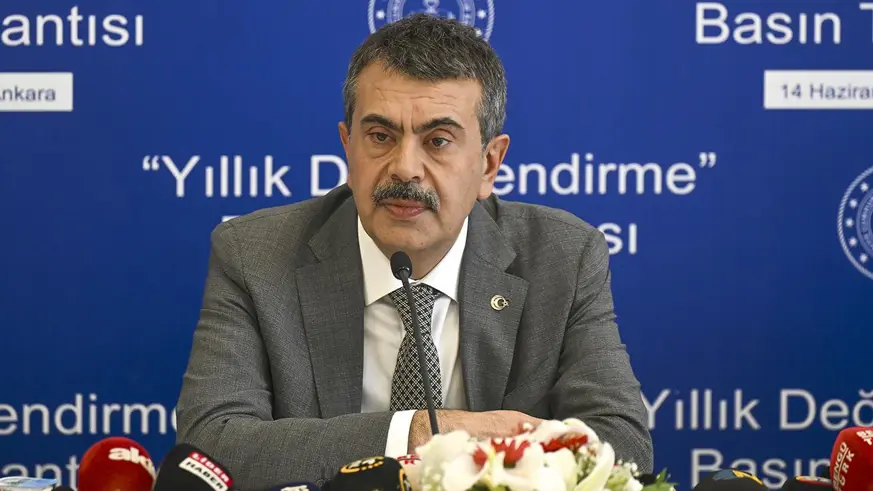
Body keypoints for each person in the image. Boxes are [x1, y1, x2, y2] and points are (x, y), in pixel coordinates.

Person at [175, 13, 653, 490]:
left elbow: (621, 444)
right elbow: (210, 446)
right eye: (380, 137)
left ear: (489, 164)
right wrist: (422, 433)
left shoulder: (563, 258)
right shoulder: (255, 256)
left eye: (438, 141)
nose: (405, 168)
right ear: (348, 147)